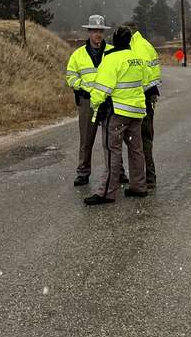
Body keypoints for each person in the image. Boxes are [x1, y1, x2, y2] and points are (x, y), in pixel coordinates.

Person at [84, 26, 149, 205]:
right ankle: (139, 187)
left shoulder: (112, 59)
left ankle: (107, 193)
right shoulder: (137, 58)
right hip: (136, 112)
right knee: (136, 150)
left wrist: (94, 104)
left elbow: (102, 88)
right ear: (129, 40)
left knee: (113, 151)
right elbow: (146, 81)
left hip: (117, 113)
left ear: (115, 39)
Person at [65, 14, 117, 188]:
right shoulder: (77, 55)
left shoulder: (112, 51)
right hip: (87, 101)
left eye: (100, 31)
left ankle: (118, 172)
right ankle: (83, 172)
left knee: (111, 140)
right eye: (94, 31)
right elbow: (70, 77)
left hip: (108, 101)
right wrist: (84, 87)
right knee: (86, 139)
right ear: (89, 32)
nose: (98, 34)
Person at [127, 22, 162, 188]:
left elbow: (140, 75)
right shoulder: (145, 45)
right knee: (144, 138)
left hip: (142, 97)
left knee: (141, 139)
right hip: (149, 95)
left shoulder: (137, 47)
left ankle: (147, 177)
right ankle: (147, 176)